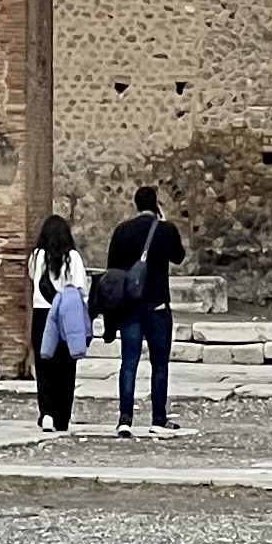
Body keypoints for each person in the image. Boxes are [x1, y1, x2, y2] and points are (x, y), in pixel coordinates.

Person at [105, 181, 187, 434]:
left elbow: (112, 271)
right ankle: (158, 419)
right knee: (159, 364)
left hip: (129, 307)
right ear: (156, 205)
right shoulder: (165, 230)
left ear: (136, 205)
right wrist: (165, 221)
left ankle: (125, 418)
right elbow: (179, 257)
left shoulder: (122, 231)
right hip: (158, 305)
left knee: (128, 363)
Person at [26, 211, 88, 436]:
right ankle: (62, 415)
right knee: (66, 367)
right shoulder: (73, 258)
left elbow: (34, 280)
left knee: (44, 367)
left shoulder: (36, 257)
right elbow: (81, 290)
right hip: (66, 315)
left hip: (42, 315)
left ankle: (47, 413)